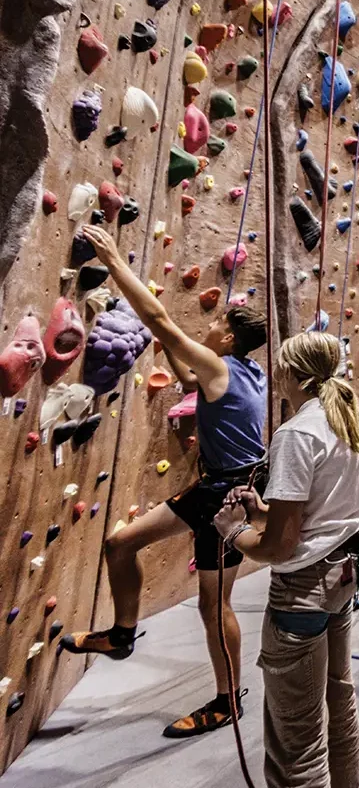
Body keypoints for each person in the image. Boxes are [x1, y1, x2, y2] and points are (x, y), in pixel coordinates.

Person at [62, 225, 268, 739]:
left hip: (230, 496)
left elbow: (159, 319)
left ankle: (227, 702)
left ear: (228, 339)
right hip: (214, 488)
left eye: (218, 324)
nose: (211, 327)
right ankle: (123, 634)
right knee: (119, 544)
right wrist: (165, 340)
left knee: (211, 604)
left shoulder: (222, 366)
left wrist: (113, 261)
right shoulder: (243, 372)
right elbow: (187, 375)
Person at [212, 331, 359, 788]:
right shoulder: (350, 421)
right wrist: (268, 510)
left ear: (292, 375)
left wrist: (236, 531)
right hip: (340, 581)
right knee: (340, 707)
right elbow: (323, 510)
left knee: (295, 743)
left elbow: (278, 548)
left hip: (301, 591)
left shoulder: (297, 432)